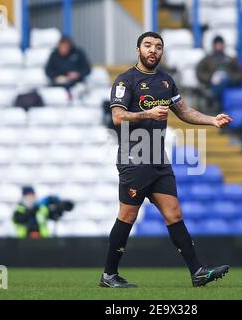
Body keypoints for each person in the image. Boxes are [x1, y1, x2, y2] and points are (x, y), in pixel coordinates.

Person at [100, 31, 233, 288]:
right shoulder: (125, 81)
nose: (153, 50)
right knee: (127, 215)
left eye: (158, 47)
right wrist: (146, 112)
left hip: (158, 159)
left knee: (174, 213)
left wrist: (211, 119)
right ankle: (109, 275)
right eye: (148, 45)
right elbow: (117, 117)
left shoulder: (166, 81)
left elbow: (183, 111)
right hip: (135, 157)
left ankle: (197, 272)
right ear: (138, 49)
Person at [196, 35, 242, 111]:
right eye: (217, 44)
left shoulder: (230, 59)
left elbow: (240, 74)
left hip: (228, 85)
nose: (219, 46)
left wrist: (229, 77)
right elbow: (199, 72)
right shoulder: (207, 60)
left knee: (223, 81)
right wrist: (211, 78)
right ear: (213, 45)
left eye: (220, 44)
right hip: (211, 85)